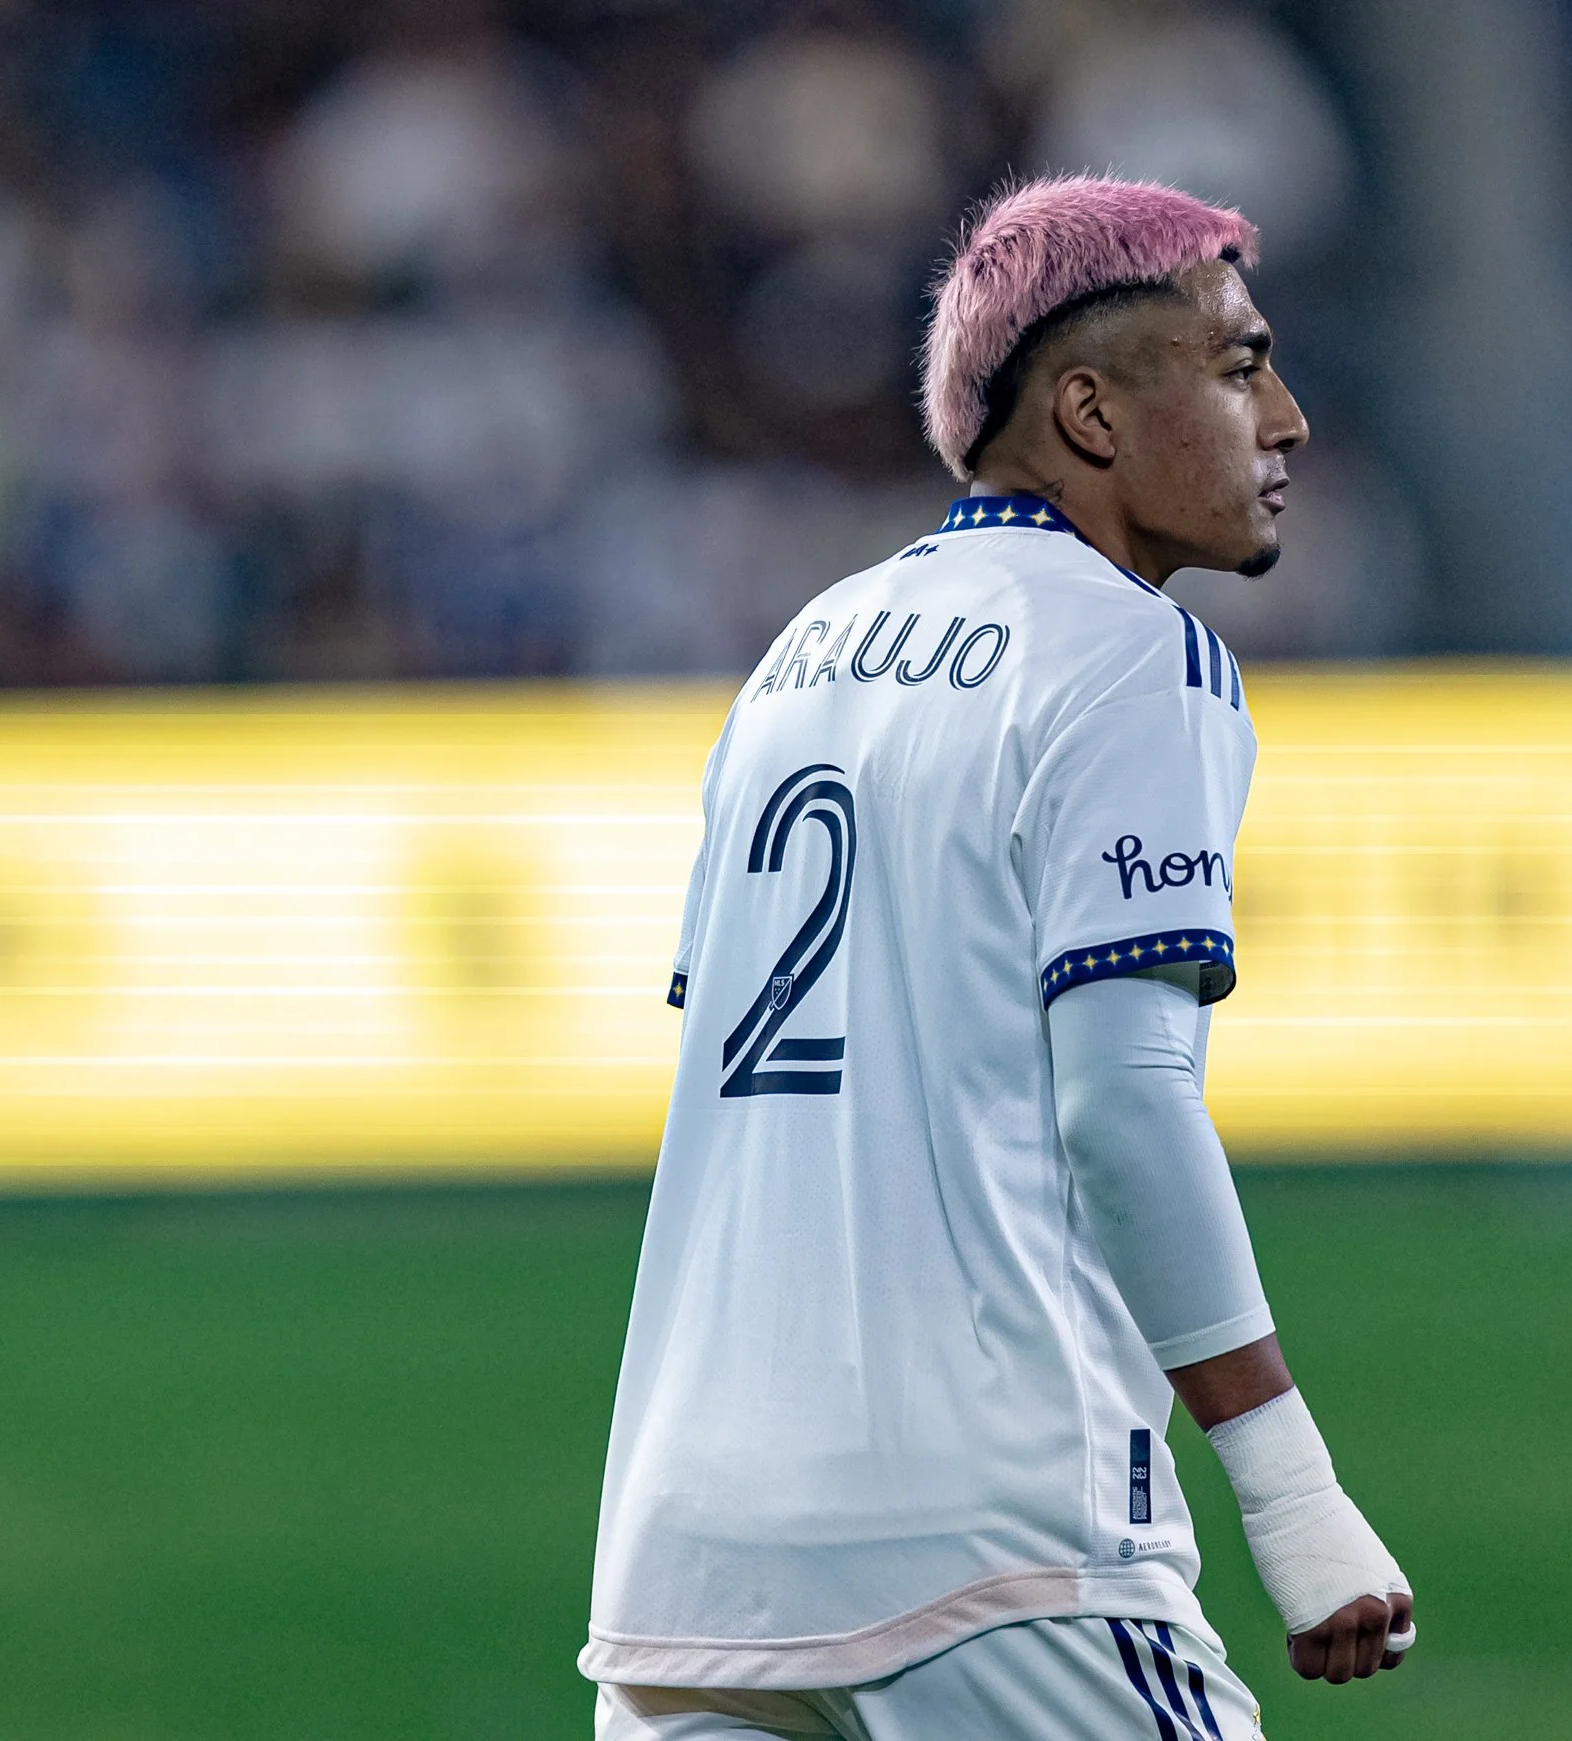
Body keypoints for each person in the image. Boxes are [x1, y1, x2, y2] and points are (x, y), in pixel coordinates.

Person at [585, 175, 1412, 1740]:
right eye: (1239, 366)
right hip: (994, 1543)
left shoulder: (798, 658)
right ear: (1090, 412)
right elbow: (1125, 1101)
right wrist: (1292, 1494)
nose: (1288, 420)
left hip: (693, 1554)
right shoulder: (1125, 654)